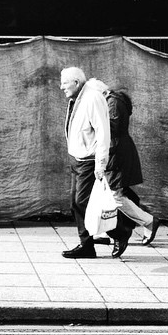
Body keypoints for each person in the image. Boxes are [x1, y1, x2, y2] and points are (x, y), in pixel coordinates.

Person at [88, 79, 161, 258]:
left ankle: (148, 221)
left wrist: (91, 123)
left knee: (115, 194)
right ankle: (107, 230)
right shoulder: (112, 100)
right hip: (117, 152)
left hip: (117, 153)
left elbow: (111, 128)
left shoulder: (112, 102)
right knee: (116, 193)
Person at [60, 67, 111, 259]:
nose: (61, 87)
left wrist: (100, 163)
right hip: (79, 159)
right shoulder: (78, 98)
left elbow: (103, 132)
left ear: (75, 82)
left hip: (89, 161)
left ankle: (117, 232)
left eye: (64, 82)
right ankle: (88, 244)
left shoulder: (92, 98)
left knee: (81, 203)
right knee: (77, 203)